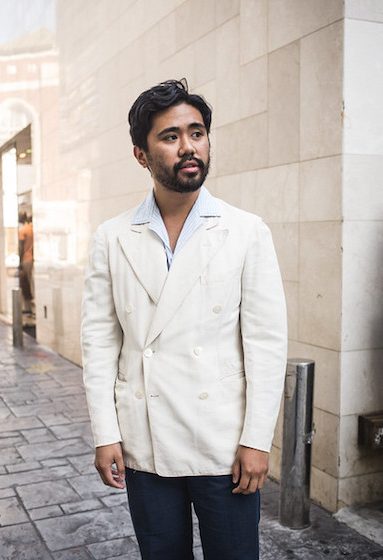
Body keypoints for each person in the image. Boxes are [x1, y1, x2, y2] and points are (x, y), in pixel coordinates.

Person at [81, 79, 287, 560]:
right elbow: (99, 342)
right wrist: (106, 434)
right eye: (170, 137)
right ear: (141, 154)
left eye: (197, 133)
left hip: (223, 445)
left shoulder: (246, 231)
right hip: (146, 443)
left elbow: (265, 342)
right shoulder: (112, 237)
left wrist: (257, 441)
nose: (189, 146)